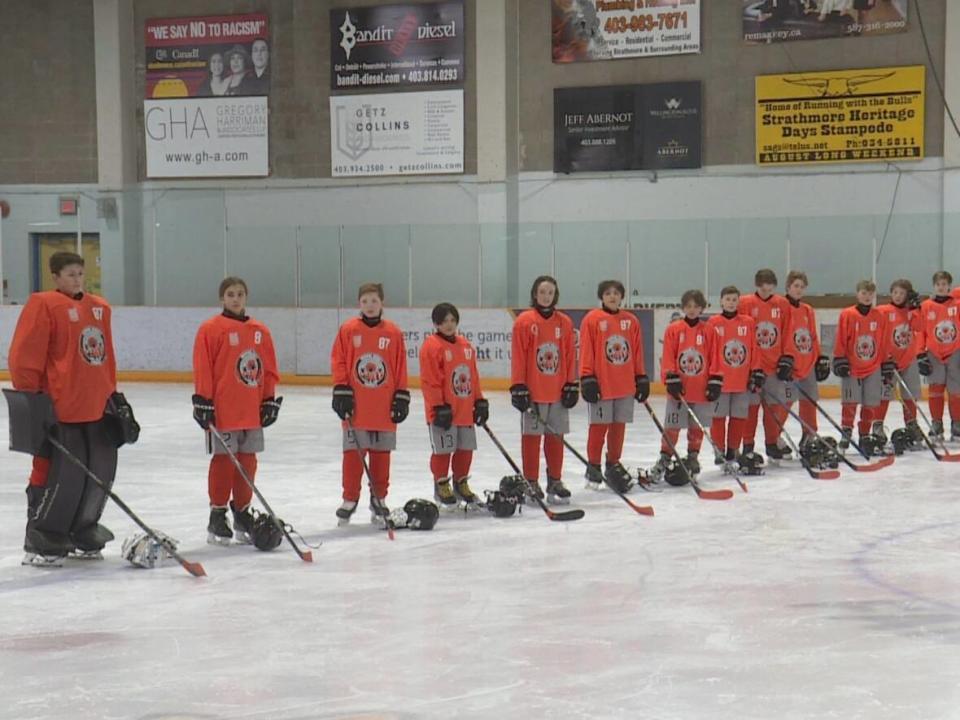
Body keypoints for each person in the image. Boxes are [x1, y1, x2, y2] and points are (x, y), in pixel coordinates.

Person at [8, 251, 137, 566]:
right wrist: (33, 399)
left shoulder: (99, 308)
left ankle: (82, 526)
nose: (77, 279)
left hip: (94, 403)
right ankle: (42, 532)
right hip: (59, 405)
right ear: (55, 277)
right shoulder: (44, 305)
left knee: (95, 468)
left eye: (80, 273)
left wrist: (112, 395)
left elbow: (105, 355)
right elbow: (25, 354)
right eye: (70, 274)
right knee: (51, 468)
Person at [192, 277, 280, 545]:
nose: (236, 298)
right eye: (230, 294)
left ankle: (241, 511)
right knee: (223, 461)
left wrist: (268, 400)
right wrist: (203, 400)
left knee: (248, 461)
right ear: (222, 298)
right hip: (223, 410)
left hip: (251, 409)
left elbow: (268, 368)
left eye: (240, 294)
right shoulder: (211, 329)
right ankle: (217, 514)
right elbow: (203, 366)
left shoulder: (260, 331)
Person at [331, 283, 410, 525]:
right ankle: (350, 497)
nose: (370, 305)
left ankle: (379, 498)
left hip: (384, 405)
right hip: (358, 405)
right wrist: (341, 388)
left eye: (374, 301)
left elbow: (399, 366)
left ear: (382, 302)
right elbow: (339, 360)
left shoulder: (393, 333)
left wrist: (401, 395)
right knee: (353, 454)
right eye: (365, 301)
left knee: (381, 455)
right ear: (359, 304)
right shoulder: (348, 330)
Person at [510, 275, 578, 504]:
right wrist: (518, 386)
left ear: (555, 295)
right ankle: (531, 481)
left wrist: (571, 383)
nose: (546, 296)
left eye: (550, 292)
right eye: (542, 292)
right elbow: (519, 356)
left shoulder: (564, 322)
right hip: (533, 392)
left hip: (557, 391)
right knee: (531, 438)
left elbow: (569, 355)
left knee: (555, 437)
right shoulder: (525, 321)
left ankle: (555, 480)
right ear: (535, 294)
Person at [578, 279, 649, 493]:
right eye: (608, 293)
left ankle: (613, 464)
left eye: (616, 293)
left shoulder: (631, 320)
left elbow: (636, 350)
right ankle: (593, 466)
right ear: (601, 296)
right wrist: (587, 377)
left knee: (619, 427)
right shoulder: (592, 319)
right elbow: (587, 350)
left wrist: (641, 377)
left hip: (625, 385)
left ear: (621, 297)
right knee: (599, 428)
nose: (612, 296)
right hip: (603, 385)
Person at [419, 303, 488, 511]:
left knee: (465, 449)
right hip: (444, 412)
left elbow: (473, 377)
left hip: (465, 409)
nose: (449, 325)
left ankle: (461, 482)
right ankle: (441, 484)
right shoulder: (432, 346)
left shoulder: (465, 346)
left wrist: (479, 401)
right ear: (436, 323)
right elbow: (430, 381)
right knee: (443, 450)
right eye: (444, 321)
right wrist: (438, 405)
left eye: (452, 320)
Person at [650, 289, 720, 482]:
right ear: (683, 307)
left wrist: (715, 380)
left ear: (702, 308)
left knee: (696, 427)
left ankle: (693, 457)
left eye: (696, 306)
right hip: (679, 391)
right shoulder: (674, 330)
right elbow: (668, 357)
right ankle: (665, 457)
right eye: (688, 306)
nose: (692, 310)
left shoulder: (709, 331)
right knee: (672, 426)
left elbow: (715, 357)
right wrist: (670, 377)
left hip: (701, 389)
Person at [739, 268, 793, 464]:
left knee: (773, 409)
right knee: (751, 409)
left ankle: (771, 443)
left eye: (770, 288)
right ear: (757, 286)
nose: (767, 292)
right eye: (763, 288)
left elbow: (787, 331)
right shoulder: (744, 303)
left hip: (774, 366)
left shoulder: (782, 304)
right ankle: (747, 446)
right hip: (752, 368)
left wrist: (787, 357)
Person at [706, 286, 761, 474]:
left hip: (742, 380)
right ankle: (719, 450)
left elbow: (753, 348)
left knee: (738, 418)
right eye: (727, 299)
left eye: (734, 299)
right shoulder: (713, 323)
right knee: (718, 418)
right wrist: (711, 375)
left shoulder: (748, 322)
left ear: (739, 302)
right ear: (721, 301)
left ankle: (732, 450)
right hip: (721, 381)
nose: (731, 302)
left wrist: (756, 371)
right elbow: (709, 351)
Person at [832, 280, 892, 452]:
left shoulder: (880, 316)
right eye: (864, 293)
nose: (867, 297)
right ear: (858, 294)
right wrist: (839, 359)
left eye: (870, 294)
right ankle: (846, 431)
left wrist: (886, 362)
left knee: (870, 403)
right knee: (850, 401)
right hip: (852, 366)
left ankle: (864, 434)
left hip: (873, 366)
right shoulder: (848, 314)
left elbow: (883, 341)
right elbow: (841, 338)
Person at [780, 271, 829, 447]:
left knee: (809, 400)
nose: (799, 290)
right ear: (788, 287)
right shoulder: (781, 306)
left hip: (807, 362)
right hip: (790, 365)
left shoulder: (807, 309)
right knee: (785, 401)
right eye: (796, 286)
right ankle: (775, 437)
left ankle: (809, 435)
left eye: (802, 286)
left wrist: (819, 357)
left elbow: (812, 336)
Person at [874, 279, 924, 444]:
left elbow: (920, 327)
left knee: (910, 395)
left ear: (907, 295)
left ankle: (911, 424)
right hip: (888, 362)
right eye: (895, 292)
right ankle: (878, 425)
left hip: (908, 360)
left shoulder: (911, 311)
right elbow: (876, 336)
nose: (897, 296)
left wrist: (917, 308)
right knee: (883, 395)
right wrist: (883, 358)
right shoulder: (882, 311)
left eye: (902, 293)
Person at [919, 271, 960, 441]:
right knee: (935, 391)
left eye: (944, 284)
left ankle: (957, 423)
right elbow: (920, 331)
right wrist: (920, 353)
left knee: (956, 391)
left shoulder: (957, 304)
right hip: (934, 353)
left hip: (955, 352)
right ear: (933, 286)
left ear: (949, 286)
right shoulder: (926, 306)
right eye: (938, 284)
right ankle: (936, 423)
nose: (941, 287)